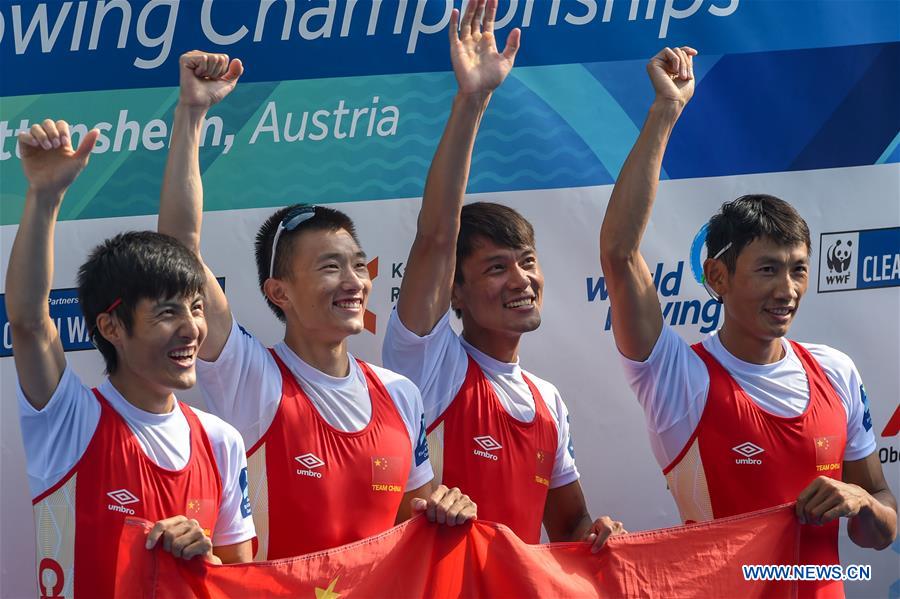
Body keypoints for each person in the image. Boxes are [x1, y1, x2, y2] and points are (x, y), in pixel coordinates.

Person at [599, 47, 897, 597]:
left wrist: (861, 502)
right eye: (766, 270)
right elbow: (619, 254)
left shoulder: (835, 371)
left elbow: (881, 523)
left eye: (798, 270)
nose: (787, 290)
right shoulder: (677, 377)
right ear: (717, 276)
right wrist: (665, 112)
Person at [157, 50, 476, 560]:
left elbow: (415, 534)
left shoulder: (401, 394)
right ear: (278, 291)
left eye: (356, 264)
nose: (352, 280)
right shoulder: (252, 377)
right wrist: (192, 115)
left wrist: (446, 508)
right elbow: (177, 250)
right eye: (329, 267)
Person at [382, 0, 624, 551]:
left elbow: (566, 527)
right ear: (455, 292)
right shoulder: (428, 363)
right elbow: (437, 236)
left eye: (527, 262)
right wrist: (473, 101)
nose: (520, 280)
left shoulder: (547, 400)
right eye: (496, 267)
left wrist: (599, 533)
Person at [7, 121, 255, 598]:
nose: (191, 328)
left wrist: (204, 557)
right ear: (111, 327)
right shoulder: (70, 421)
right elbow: (30, 322)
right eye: (167, 312)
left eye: (196, 308)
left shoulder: (221, 441)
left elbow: (241, 576)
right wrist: (44, 197)